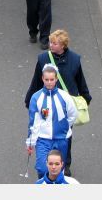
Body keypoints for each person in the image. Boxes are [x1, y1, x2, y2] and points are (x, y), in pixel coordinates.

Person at [24, 29, 91, 176]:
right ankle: (46, 164)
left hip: (66, 105)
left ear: (63, 45)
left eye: (54, 43)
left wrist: (85, 97)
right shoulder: (43, 58)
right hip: (46, 104)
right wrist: (30, 99)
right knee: (45, 133)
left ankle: (64, 164)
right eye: (50, 42)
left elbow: (80, 80)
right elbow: (36, 80)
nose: (51, 45)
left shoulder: (74, 59)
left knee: (65, 135)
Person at [26, 64, 78, 178]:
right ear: (42, 79)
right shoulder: (36, 97)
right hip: (43, 139)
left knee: (58, 169)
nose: (49, 82)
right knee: (42, 167)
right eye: (46, 80)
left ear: (56, 79)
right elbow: (33, 122)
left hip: (61, 139)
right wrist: (30, 142)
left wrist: (64, 127)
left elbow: (73, 114)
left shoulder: (65, 96)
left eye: (52, 79)